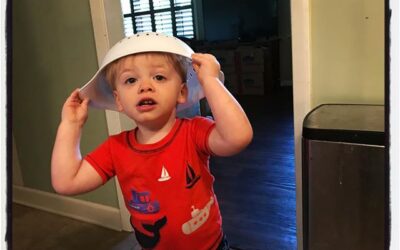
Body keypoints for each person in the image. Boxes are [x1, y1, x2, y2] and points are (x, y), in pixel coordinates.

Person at [51, 33, 253, 250]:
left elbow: (238, 137)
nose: (145, 86)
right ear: (119, 100)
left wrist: (210, 81)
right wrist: (70, 125)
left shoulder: (194, 132)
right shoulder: (116, 148)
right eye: (131, 80)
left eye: (159, 77)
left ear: (182, 92)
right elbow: (66, 182)